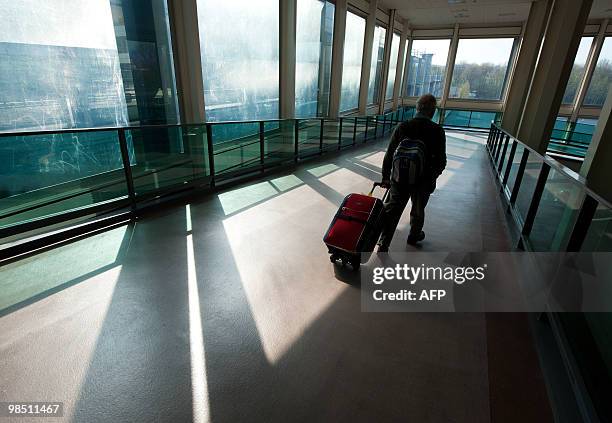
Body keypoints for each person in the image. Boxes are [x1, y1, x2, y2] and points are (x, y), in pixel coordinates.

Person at [377, 94, 446, 252]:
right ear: (432, 111)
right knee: (418, 209)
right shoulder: (437, 131)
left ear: (417, 108)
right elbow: (441, 161)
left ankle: (383, 242)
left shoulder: (403, 126)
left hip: (399, 177)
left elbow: (389, 154)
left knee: (393, 210)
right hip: (423, 180)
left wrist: (386, 177)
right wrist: (432, 176)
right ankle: (414, 236)